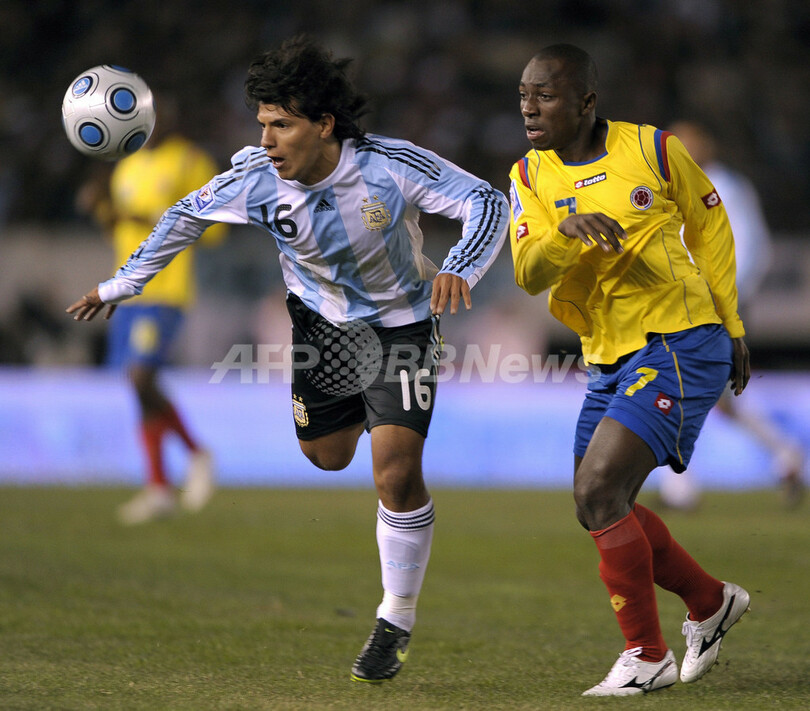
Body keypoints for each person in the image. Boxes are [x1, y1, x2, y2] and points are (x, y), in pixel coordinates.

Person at [67, 36, 508, 683]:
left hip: (401, 325)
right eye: (263, 125)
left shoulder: (389, 165)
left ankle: (396, 618)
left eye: (282, 124)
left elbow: (487, 202)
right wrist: (122, 284)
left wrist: (462, 266)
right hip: (321, 328)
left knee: (393, 472)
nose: (268, 139)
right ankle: (375, 409)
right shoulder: (255, 179)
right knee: (326, 456)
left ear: (324, 125)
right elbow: (184, 217)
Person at [509, 44, 750, 696]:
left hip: (681, 338)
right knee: (599, 505)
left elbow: (713, 230)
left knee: (596, 489)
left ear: (586, 102)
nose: (529, 105)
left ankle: (647, 655)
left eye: (547, 94)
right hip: (607, 353)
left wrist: (732, 322)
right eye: (524, 93)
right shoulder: (529, 177)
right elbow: (528, 272)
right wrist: (566, 231)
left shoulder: (654, 150)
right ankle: (709, 600)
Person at [76, 100, 227, 525]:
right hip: (125, 290)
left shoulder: (191, 162)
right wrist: (102, 209)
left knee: (142, 376)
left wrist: (135, 214)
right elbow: (119, 229)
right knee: (138, 384)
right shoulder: (127, 166)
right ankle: (158, 487)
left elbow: (211, 229)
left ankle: (197, 454)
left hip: (166, 289)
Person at [658, 120, 804, 509]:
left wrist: (728, 300)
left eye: (688, 143)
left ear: (707, 147)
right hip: (679, 304)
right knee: (718, 399)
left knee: (677, 384)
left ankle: (680, 485)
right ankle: (787, 453)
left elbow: (752, 247)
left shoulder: (729, 189)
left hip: (716, 306)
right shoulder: (667, 189)